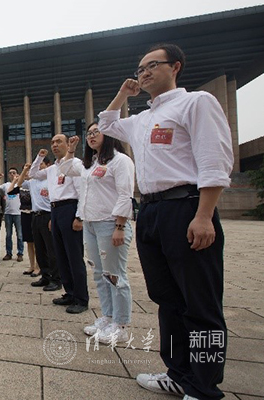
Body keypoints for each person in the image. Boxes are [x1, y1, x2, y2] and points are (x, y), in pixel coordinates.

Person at [98, 43, 233, 400]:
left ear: (175, 67)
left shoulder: (196, 102)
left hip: (186, 207)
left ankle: (203, 387)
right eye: (140, 68)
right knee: (166, 299)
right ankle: (178, 373)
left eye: (152, 65)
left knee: (199, 302)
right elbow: (106, 124)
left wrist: (204, 215)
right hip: (151, 212)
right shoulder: (142, 119)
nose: (143, 73)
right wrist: (123, 94)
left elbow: (214, 159)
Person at [62, 124, 136, 345]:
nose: (91, 136)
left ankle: (121, 325)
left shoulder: (120, 160)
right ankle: (108, 317)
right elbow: (65, 168)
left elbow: (125, 194)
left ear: (109, 135)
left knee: (115, 275)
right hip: (91, 225)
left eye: (96, 132)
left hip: (110, 224)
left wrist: (120, 226)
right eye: (89, 133)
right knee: (99, 274)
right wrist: (71, 149)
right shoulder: (90, 164)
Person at [30, 138, 89, 314]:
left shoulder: (75, 164)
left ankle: (81, 298)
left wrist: (79, 216)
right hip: (54, 210)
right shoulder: (51, 169)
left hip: (70, 209)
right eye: (52, 143)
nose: (55, 145)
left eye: (59, 142)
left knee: (74, 256)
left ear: (68, 145)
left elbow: (82, 191)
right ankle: (69, 293)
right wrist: (39, 158)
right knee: (61, 256)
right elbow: (33, 173)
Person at [17, 160, 60, 288]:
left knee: (51, 249)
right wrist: (25, 170)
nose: (38, 167)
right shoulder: (32, 182)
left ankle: (56, 279)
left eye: (41, 164)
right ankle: (45, 276)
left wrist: (53, 217)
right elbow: (19, 183)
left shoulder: (51, 180)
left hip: (48, 215)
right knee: (40, 249)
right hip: (35, 216)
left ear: (47, 166)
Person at [6, 166, 38, 276]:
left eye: (28, 172)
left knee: (37, 242)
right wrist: (15, 180)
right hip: (24, 215)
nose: (27, 173)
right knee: (29, 242)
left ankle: (38, 267)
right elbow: (10, 192)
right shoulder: (22, 186)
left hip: (34, 215)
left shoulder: (35, 184)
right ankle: (32, 265)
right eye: (25, 172)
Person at [0, 168, 23, 261]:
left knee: (19, 235)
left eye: (14, 173)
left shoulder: (20, 185)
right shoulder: (6, 185)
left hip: (18, 213)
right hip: (8, 213)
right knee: (8, 234)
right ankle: (8, 253)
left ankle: (20, 253)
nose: (12, 174)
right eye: (10, 173)